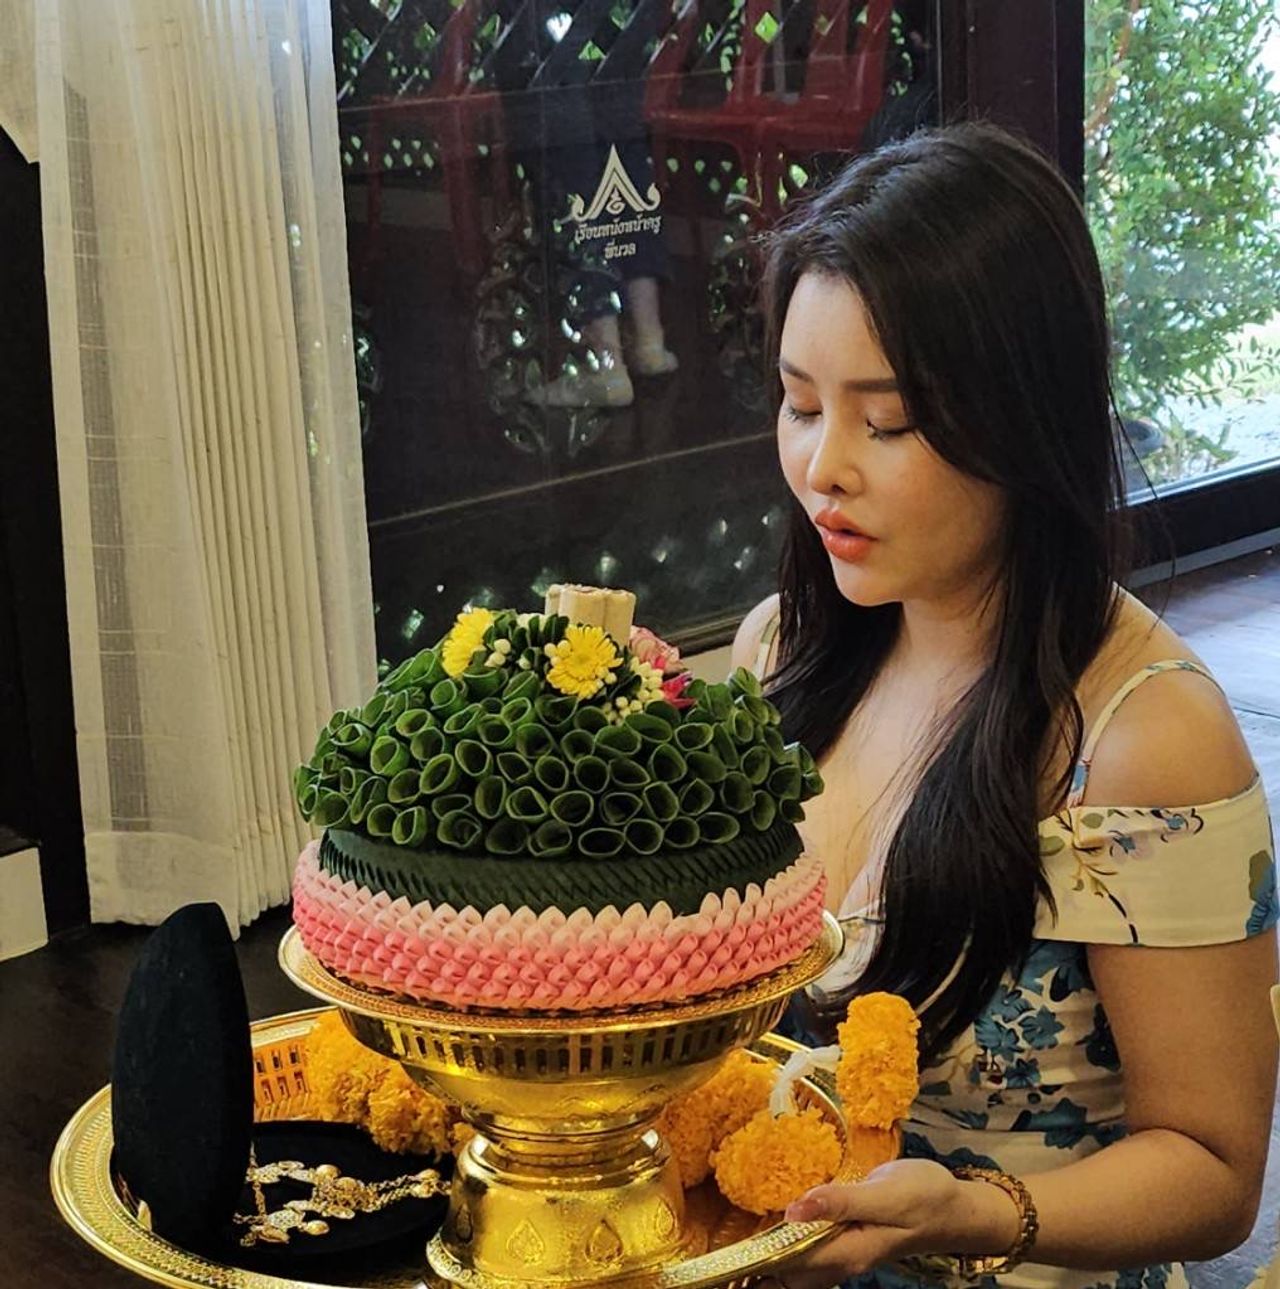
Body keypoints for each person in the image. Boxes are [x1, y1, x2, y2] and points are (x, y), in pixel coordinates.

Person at [730, 121, 1277, 1289]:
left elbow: (1213, 1170)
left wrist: (969, 1213)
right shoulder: (778, 650)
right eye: (798, 403)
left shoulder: (1141, 741)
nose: (822, 467)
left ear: (1022, 417)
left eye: (885, 421)